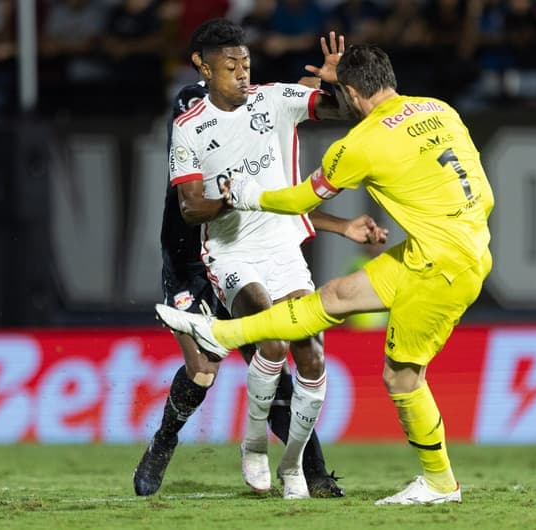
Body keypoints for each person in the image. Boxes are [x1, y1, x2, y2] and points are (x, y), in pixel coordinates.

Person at [155, 44, 494, 506]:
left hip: (440, 269)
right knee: (331, 298)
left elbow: (298, 202)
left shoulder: (359, 145)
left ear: (351, 92)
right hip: (452, 244)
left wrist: (250, 194)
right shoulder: (438, 109)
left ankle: (439, 482)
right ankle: (222, 334)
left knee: (402, 379)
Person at [134, 20, 387, 499]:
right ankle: (163, 441)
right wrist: (233, 198)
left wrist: (336, 85)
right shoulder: (191, 123)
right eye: (230, 67)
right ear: (203, 70)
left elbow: (283, 195)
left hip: (262, 250)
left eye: (245, 65)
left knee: (281, 350)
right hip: (194, 258)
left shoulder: (269, 103)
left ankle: (308, 470)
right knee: (203, 371)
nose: (241, 75)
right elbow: (192, 209)